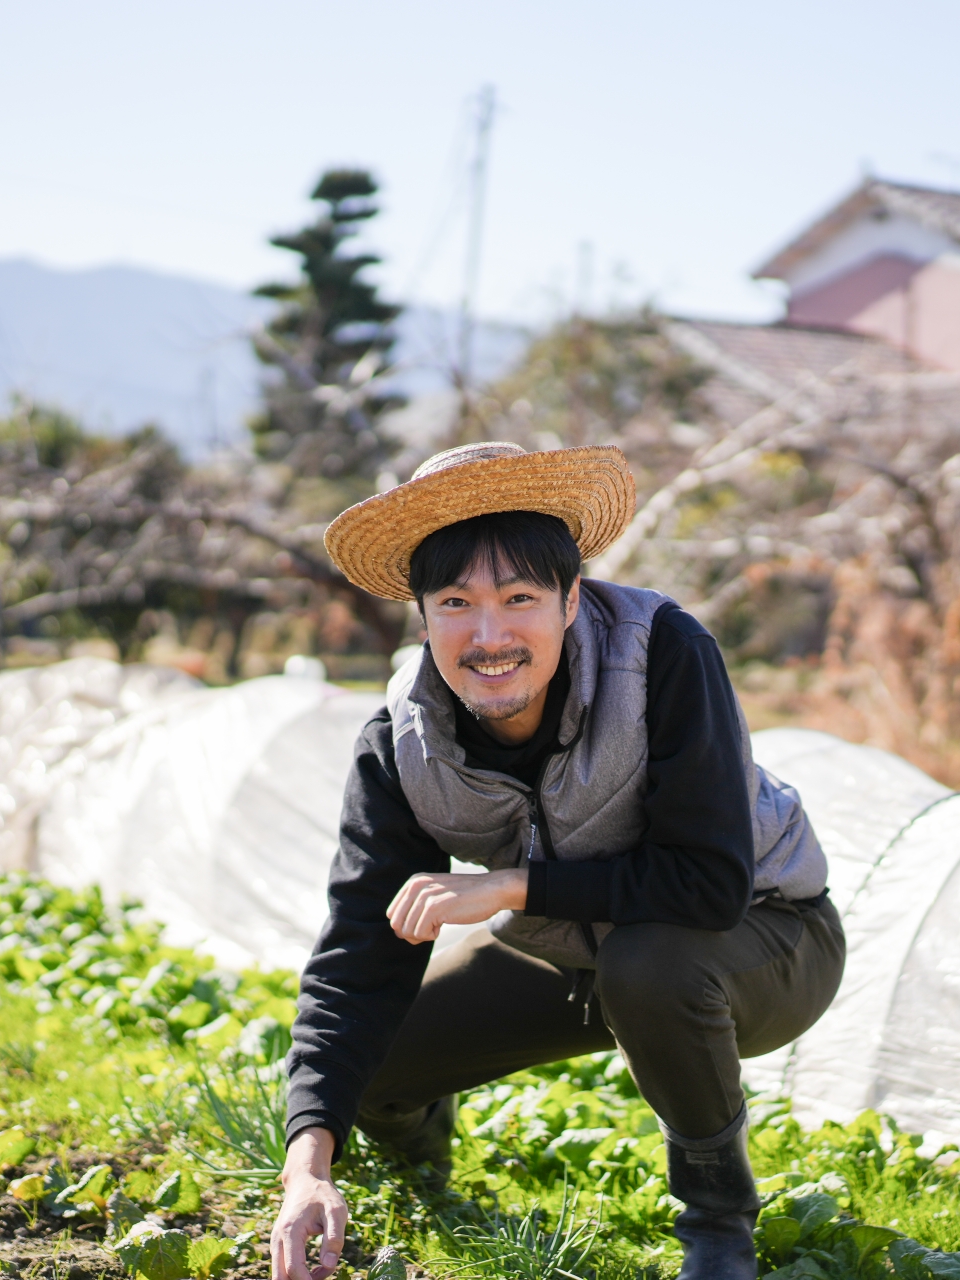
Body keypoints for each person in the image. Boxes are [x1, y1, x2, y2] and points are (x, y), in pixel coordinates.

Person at [271, 442, 846, 1280]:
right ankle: (422, 1168)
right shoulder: (402, 742)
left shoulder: (663, 656)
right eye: (457, 602)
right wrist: (306, 1167)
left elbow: (709, 883)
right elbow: (359, 947)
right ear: (423, 617)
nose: (490, 634)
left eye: (520, 597)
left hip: (763, 938)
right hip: (568, 951)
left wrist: (508, 886)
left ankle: (719, 1225)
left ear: (571, 600)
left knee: (648, 962)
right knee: (371, 1063)